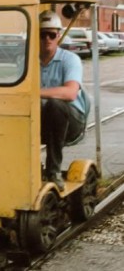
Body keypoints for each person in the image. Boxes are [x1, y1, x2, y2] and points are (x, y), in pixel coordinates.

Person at [39, 10, 87, 191]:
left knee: (55, 105)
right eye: (43, 34)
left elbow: (70, 93)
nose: (47, 39)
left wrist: (36, 92)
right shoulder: (28, 61)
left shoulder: (70, 60)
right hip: (45, 119)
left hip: (72, 121)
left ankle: (54, 170)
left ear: (58, 36)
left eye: (51, 34)